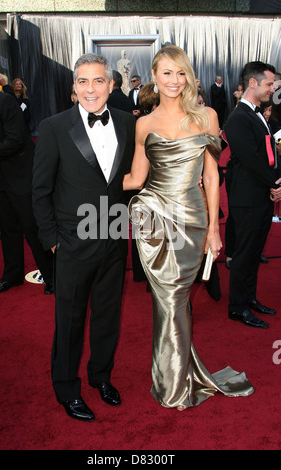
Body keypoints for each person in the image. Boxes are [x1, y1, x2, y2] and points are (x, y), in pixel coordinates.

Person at [123, 45, 254, 411]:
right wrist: (82, 183)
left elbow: (212, 176)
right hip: (154, 220)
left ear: (188, 76)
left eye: (181, 73)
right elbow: (135, 178)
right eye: (167, 73)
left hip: (192, 219)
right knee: (169, 301)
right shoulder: (144, 124)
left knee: (174, 300)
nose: (174, 81)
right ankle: (174, 381)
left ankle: (174, 379)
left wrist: (214, 228)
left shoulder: (207, 117)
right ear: (154, 76)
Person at [32, 53, 135, 422]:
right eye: (83, 82)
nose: (91, 89)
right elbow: (40, 190)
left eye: (98, 81)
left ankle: (101, 376)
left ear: (111, 84)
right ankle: (66, 387)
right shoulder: (54, 126)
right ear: (73, 89)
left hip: (113, 234)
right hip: (72, 242)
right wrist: (53, 241)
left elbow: (128, 181)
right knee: (70, 320)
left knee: (108, 315)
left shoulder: (126, 122)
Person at [0, 71, 53, 295]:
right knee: (8, 228)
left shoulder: (4, 101)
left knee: (31, 226)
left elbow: (15, 140)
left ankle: (51, 276)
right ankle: (12, 276)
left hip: (22, 173)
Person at [225, 61, 281, 329]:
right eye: (270, 84)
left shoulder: (258, 114)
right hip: (247, 198)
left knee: (255, 251)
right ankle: (237, 307)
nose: (274, 89)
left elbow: (270, 152)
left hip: (261, 195)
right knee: (244, 254)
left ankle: (249, 298)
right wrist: (274, 182)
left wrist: (277, 180)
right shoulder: (237, 118)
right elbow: (250, 159)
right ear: (253, 83)